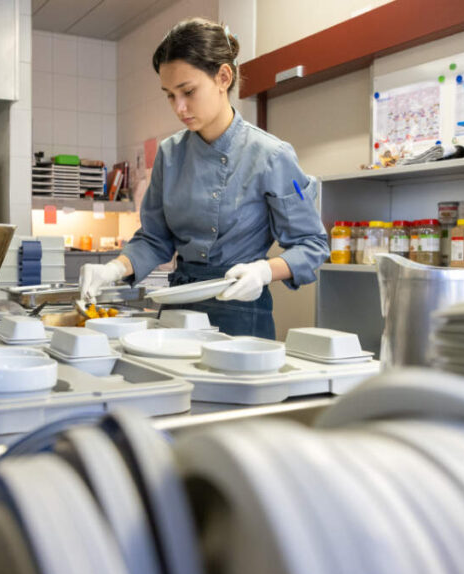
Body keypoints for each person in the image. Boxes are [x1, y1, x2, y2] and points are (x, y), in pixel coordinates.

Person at [80, 18, 329, 338]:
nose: (179, 107)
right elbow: (155, 239)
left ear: (223, 77)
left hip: (240, 311)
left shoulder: (270, 155)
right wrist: (113, 269)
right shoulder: (170, 154)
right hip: (178, 308)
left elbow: (312, 245)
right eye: (170, 95)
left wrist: (264, 271)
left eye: (188, 91)